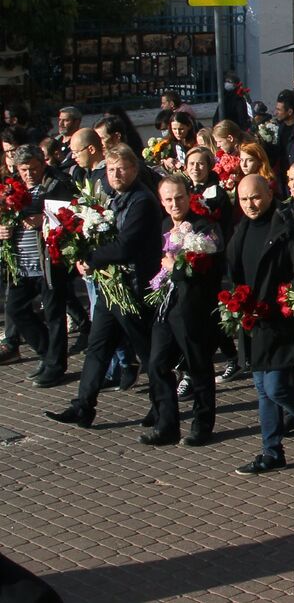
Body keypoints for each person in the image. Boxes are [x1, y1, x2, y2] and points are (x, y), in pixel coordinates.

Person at [46, 144, 160, 431]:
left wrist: (90, 258)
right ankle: (83, 406)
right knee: (97, 346)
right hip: (112, 287)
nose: (116, 174)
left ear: (134, 169)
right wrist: (82, 253)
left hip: (133, 287)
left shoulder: (142, 201)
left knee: (147, 350)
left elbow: (125, 247)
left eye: (122, 168)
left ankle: (163, 404)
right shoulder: (111, 198)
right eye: (111, 169)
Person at [227, 174, 294, 477]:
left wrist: (285, 302)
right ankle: (272, 452)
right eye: (244, 199)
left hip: (281, 321)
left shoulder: (285, 230)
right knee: (262, 388)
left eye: (255, 197)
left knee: (276, 387)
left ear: (269, 195)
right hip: (254, 322)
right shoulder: (241, 230)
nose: (250, 204)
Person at [144, 175, 223, 446]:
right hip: (167, 305)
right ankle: (167, 424)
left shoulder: (203, 228)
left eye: (179, 197)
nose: (174, 203)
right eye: (168, 199)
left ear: (189, 196)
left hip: (193, 307)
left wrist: (175, 267)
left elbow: (206, 270)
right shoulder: (165, 225)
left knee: (197, 365)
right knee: (156, 363)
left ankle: (202, 424)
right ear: (162, 202)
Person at [0, 144, 76, 387]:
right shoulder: (11, 187)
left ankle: (55, 366)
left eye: (33, 168)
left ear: (43, 163)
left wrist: (44, 219)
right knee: (15, 309)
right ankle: (47, 352)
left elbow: (70, 214)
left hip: (48, 262)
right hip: (21, 263)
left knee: (54, 314)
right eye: (24, 169)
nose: (29, 174)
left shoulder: (56, 184)